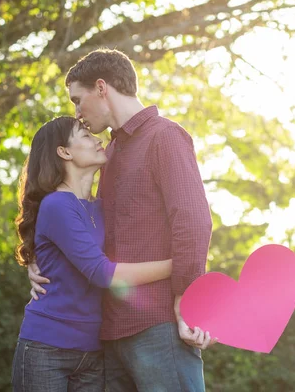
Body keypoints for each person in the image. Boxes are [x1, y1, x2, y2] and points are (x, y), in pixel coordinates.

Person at [29, 49, 216, 391]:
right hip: (110, 335)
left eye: (77, 100)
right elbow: (84, 230)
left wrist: (186, 299)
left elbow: (193, 222)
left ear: (101, 88)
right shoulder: (109, 153)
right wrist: (38, 262)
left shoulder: (165, 137)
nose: (77, 114)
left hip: (157, 327)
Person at [12, 117, 174, 391]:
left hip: (92, 351)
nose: (98, 139)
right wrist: (177, 264)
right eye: (85, 136)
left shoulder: (99, 207)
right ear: (64, 152)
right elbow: (101, 272)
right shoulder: (57, 205)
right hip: (47, 349)